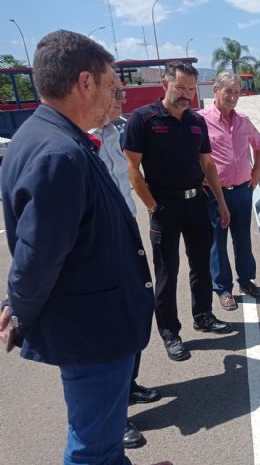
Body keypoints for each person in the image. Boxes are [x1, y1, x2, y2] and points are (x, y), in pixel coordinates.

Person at [0, 30, 163, 465]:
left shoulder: (51, 137)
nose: (120, 97)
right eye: (114, 86)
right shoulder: (59, 153)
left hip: (93, 325)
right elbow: (39, 254)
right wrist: (18, 309)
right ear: (85, 83)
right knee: (92, 448)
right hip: (93, 332)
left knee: (102, 440)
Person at [124, 61, 232, 362]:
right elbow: (132, 168)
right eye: (180, 87)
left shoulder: (196, 122)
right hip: (164, 206)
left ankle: (203, 316)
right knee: (167, 272)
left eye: (191, 89)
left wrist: (221, 202)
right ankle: (170, 332)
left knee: (200, 264)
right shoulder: (143, 120)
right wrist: (152, 205)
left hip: (196, 203)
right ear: (165, 84)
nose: (186, 94)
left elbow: (207, 164)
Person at [89, 84, 161, 450]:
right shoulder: (78, 142)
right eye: (114, 91)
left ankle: (129, 386)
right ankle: (115, 418)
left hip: (126, 232)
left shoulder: (115, 132)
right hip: (100, 244)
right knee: (108, 332)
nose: (121, 97)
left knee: (134, 314)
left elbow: (129, 176)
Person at [197, 72, 260, 312]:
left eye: (237, 92)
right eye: (229, 92)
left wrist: (257, 171)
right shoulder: (200, 120)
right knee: (217, 241)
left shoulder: (244, 121)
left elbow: (259, 144)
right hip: (214, 194)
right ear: (216, 90)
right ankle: (223, 289)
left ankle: (246, 281)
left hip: (242, 191)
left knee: (243, 238)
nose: (233, 97)